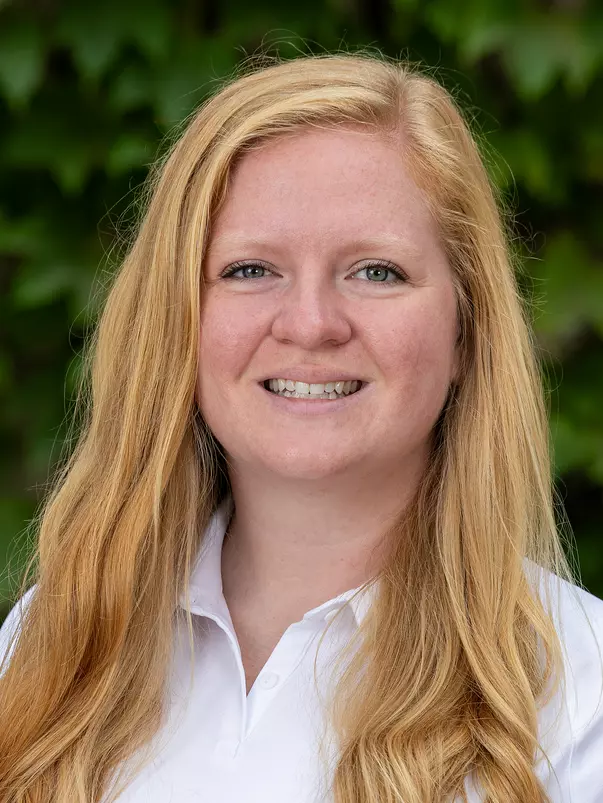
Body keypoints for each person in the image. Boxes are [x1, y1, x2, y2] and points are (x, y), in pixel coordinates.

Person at [0, 51, 602, 803]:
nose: (311, 322)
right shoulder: (54, 643)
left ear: (465, 333)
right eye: (251, 269)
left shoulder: (580, 694)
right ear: (177, 321)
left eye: (375, 271)